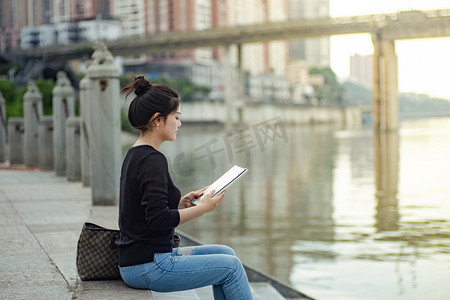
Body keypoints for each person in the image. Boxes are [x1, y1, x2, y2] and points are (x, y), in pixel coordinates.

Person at [115, 76, 253, 300]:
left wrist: (181, 203)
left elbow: (144, 210)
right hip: (150, 265)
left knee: (226, 253)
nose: (179, 124)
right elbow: (158, 220)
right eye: (176, 118)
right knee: (231, 267)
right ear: (157, 120)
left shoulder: (135, 154)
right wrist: (203, 208)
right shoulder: (153, 160)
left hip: (141, 258)